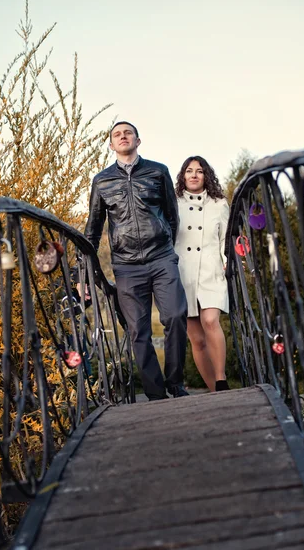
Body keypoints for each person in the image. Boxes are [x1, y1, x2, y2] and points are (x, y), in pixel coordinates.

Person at [84, 121, 188, 400]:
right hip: (126, 266)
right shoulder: (102, 181)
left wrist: (166, 243)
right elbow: (93, 229)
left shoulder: (158, 171)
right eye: (117, 134)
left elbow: (171, 215)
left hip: (162, 258)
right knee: (138, 330)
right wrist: (84, 274)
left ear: (138, 140)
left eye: (127, 132)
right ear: (111, 145)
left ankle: (176, 383)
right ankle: (155, 394)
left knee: (176, 316)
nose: (122, 136)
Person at [174, 156, 230, 392]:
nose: (194, 175)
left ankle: (221, 379)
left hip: (210, 270)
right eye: (189, 171)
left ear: (207, 175)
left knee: (210, 320)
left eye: (199, 171)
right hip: (181, 272)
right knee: (196, 339)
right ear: (183, 176)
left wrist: (228, 262)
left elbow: (225, 239)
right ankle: (214, 392)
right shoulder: (173, 203)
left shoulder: (219, 204)